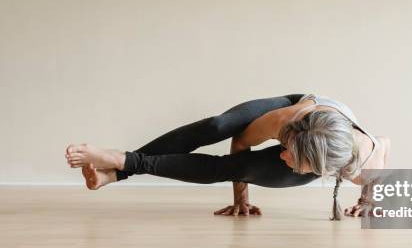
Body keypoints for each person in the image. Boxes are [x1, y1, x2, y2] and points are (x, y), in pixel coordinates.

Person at [65, 93, 390, 219]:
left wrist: (367, 200)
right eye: (286, 149)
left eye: (293, 158)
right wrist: (241, 198)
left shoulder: (366, 161)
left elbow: (385, 146)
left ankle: (116, 170)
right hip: (301, 118)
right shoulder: (284, 120)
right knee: (216, 125)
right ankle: (119, 164)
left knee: (229, 169)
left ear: (318, 170)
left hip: (322, 148)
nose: (282, 156)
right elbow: (240, 142)